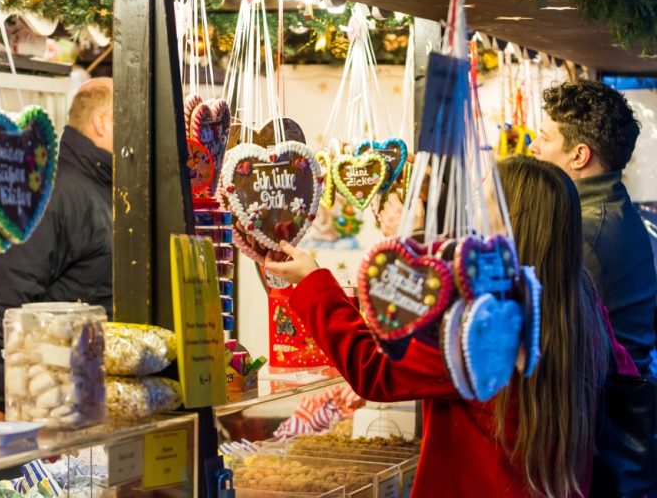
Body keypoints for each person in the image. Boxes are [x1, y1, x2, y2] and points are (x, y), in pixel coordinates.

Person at [265, 157, 631, 497]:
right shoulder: (581, 301)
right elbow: (624, 376)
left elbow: (374, 368)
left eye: (484, 201)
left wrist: (312, 281)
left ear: (506, 223)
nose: (473, 213)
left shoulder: (477, 320)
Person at [0, 77, 114, 417]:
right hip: (45, 412)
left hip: (84, 405)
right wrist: (12, 404)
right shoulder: (52, 192)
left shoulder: (106, 189)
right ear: (101, 122)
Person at [529, 80, 657, 376]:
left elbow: (548, 337)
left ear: (579, 156)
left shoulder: (584, 232)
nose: (533, 146)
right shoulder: (611, 205)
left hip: (603, 397)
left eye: (544, 138)